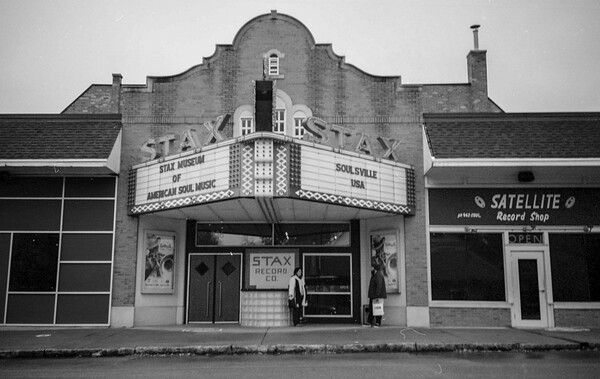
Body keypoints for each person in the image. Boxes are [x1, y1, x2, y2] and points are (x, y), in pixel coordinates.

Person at [367, 262, 387, 327]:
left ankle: (377, 322)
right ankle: (370, 321)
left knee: (378, 309)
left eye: (372, 267)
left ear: (374, 268)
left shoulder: (378, 275)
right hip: (373, 296)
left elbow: (379, 286)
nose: (370, 268)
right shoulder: (375, 275)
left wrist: (377, 295)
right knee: (372, 309)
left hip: (377, 296)